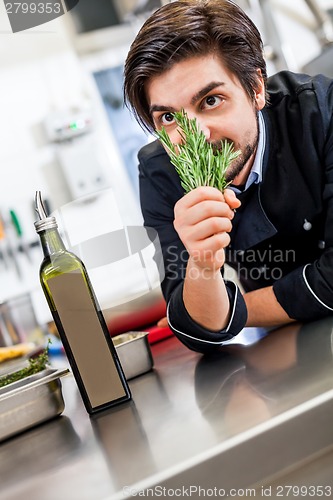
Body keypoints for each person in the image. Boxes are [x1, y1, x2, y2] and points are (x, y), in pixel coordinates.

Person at [123, 0, 333, 353]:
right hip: (281, 352)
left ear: (256, 89)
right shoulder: (161, 171)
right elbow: (196, 329)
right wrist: (202, 266)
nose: (196, 136)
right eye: (169, 118)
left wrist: (232, 311)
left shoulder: (321, 111)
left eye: (210, 100)